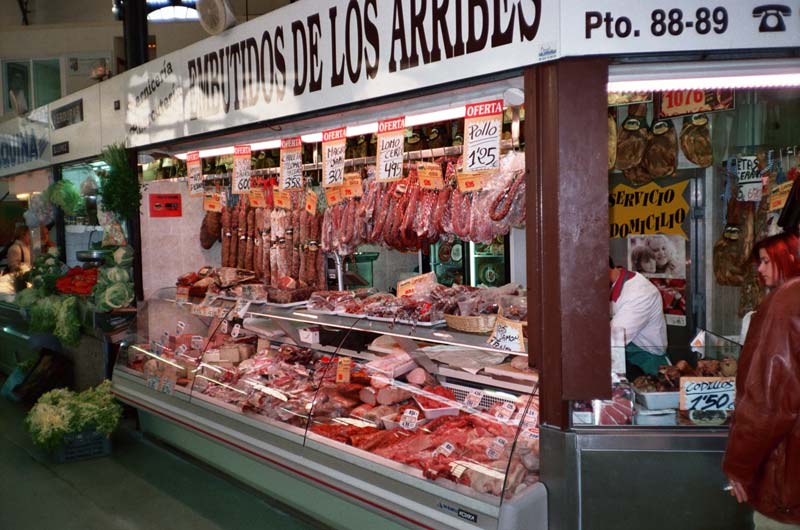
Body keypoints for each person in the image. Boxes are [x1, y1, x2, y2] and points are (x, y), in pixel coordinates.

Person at [723, 231, 800, 529]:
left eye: (767, 261)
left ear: (790, 257)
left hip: (788, 483)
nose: (760, 269)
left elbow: (768, 403)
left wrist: (738, 466)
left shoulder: (784, 304)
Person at [609, 257, 669, 378]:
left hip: (647, 362)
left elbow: (614, 340)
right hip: (627, 354)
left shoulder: (639, 293)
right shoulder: (612, 284)